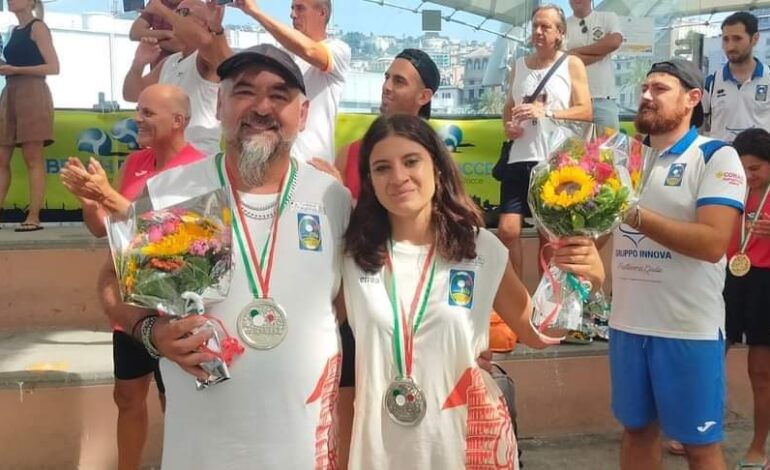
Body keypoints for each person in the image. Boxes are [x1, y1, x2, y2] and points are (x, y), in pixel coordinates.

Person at [98, 44, 351, 469]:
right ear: (219, 103)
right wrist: (150, 332)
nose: (261, 107)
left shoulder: (332, 198)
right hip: (200, 452)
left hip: (302, 451)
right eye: (244, 92)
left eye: (279, 95)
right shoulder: (171, 193)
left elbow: (348, 304)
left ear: (303, 114)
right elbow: (110, 283)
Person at [342, 113, 605, 469]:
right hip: (383, 448)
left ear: (437, 167)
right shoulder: (353, 255)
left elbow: (538, 331)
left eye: (411, 161)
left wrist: (581, 281)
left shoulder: (481, 249)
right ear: (370, 181)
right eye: (382, 168)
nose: (398, 177)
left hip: (468, 444)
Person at [610, 58, 746, 470]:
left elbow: (712, 242)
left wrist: (634, 215)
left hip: (687, 330)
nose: (647, 95)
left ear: (692, 99)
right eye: (645, 87)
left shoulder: (716, 156)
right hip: (627, 326)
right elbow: (603, 240)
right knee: (636, 432)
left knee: (699, 445)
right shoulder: (622, 160)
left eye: (660, 89)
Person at [61, 84, 204, 470]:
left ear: (178, 121)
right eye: (138, 111)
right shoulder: (135, 163)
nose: (136, 120)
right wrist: (92, 204)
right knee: (126, 396)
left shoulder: (200, 169)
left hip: (174, 306)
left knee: (174, 400)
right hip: (130, 304)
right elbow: (107, 229)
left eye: (147, 113)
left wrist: (108, 197)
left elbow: (171, 240)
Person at [498, 4, 592, 278]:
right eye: (535, 26)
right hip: (518, 157)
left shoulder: (571, 63)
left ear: (560, 33)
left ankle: (546, 302)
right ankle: (516, 300)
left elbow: (585, 110)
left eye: (545, 27)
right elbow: (508, 105)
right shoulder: (518, 66)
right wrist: (508, 127)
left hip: (553, 161)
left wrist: (546, 112)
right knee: (507, 230)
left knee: (549, 235)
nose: (538, 32)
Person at [233, 0, 350, 163]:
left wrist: (255, 12)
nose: (292, 15)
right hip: (279, 164)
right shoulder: (284, 55)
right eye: (292, 8)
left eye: (300, 8)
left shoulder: (338, 50)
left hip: (313, 165)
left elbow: (310, 51)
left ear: (322, 13)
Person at [123, 0, 231, 156]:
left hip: (198, 157)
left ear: (205, 24)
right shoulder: (170, 61)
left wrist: (161, 10)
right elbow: (131, 95)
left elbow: (203, 40)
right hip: (165, 156)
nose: (174, 17)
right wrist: (137, 65)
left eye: (183, 13)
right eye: (176, 12)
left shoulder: (206, 59)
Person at [332, 48, 439, 201]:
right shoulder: (350, 153)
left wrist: (344, 198)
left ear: (423, 96)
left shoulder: (434, 157)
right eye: (387, 78)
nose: (386, 87)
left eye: (399, 81)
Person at [725, 128, 770, 469]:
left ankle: (758, 444)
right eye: (743, 168)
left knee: (761, 371)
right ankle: (697, 429)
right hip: (727, 277)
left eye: (756, 168)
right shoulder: (727, 188)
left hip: (765, 282)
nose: (749, 175)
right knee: (710, 356)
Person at [0, 0, 59, 232]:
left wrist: (17, 69)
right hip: (10, 91)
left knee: (32, 158)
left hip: (33, 92)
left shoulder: (38, 27)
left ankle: (33, 215)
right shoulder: (13, 31)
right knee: (2, 158)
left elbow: (53, 67)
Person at [703, 12, 770, 142]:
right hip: (721, 160)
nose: (730, 46)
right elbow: (702, 125)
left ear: (755, 39)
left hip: (760, 159)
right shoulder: (711, 82)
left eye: (737, 39)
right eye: (725, 39)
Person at [565, 0, 623, 133]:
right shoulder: (562, 26)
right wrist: (601, 52)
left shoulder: (608, 17)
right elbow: (563, 61)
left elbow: (615, 42)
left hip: (604, 102)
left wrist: (572, 53)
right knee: (573, 153)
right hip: (573, 103)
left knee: (608, 151)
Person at [129, 0, 184, 66]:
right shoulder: (157, 3)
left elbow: (180, 46)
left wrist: (152, 41)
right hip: (157, 69)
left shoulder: (192, 6)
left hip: (181, 69)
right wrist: (165, 34)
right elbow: (135, 33)